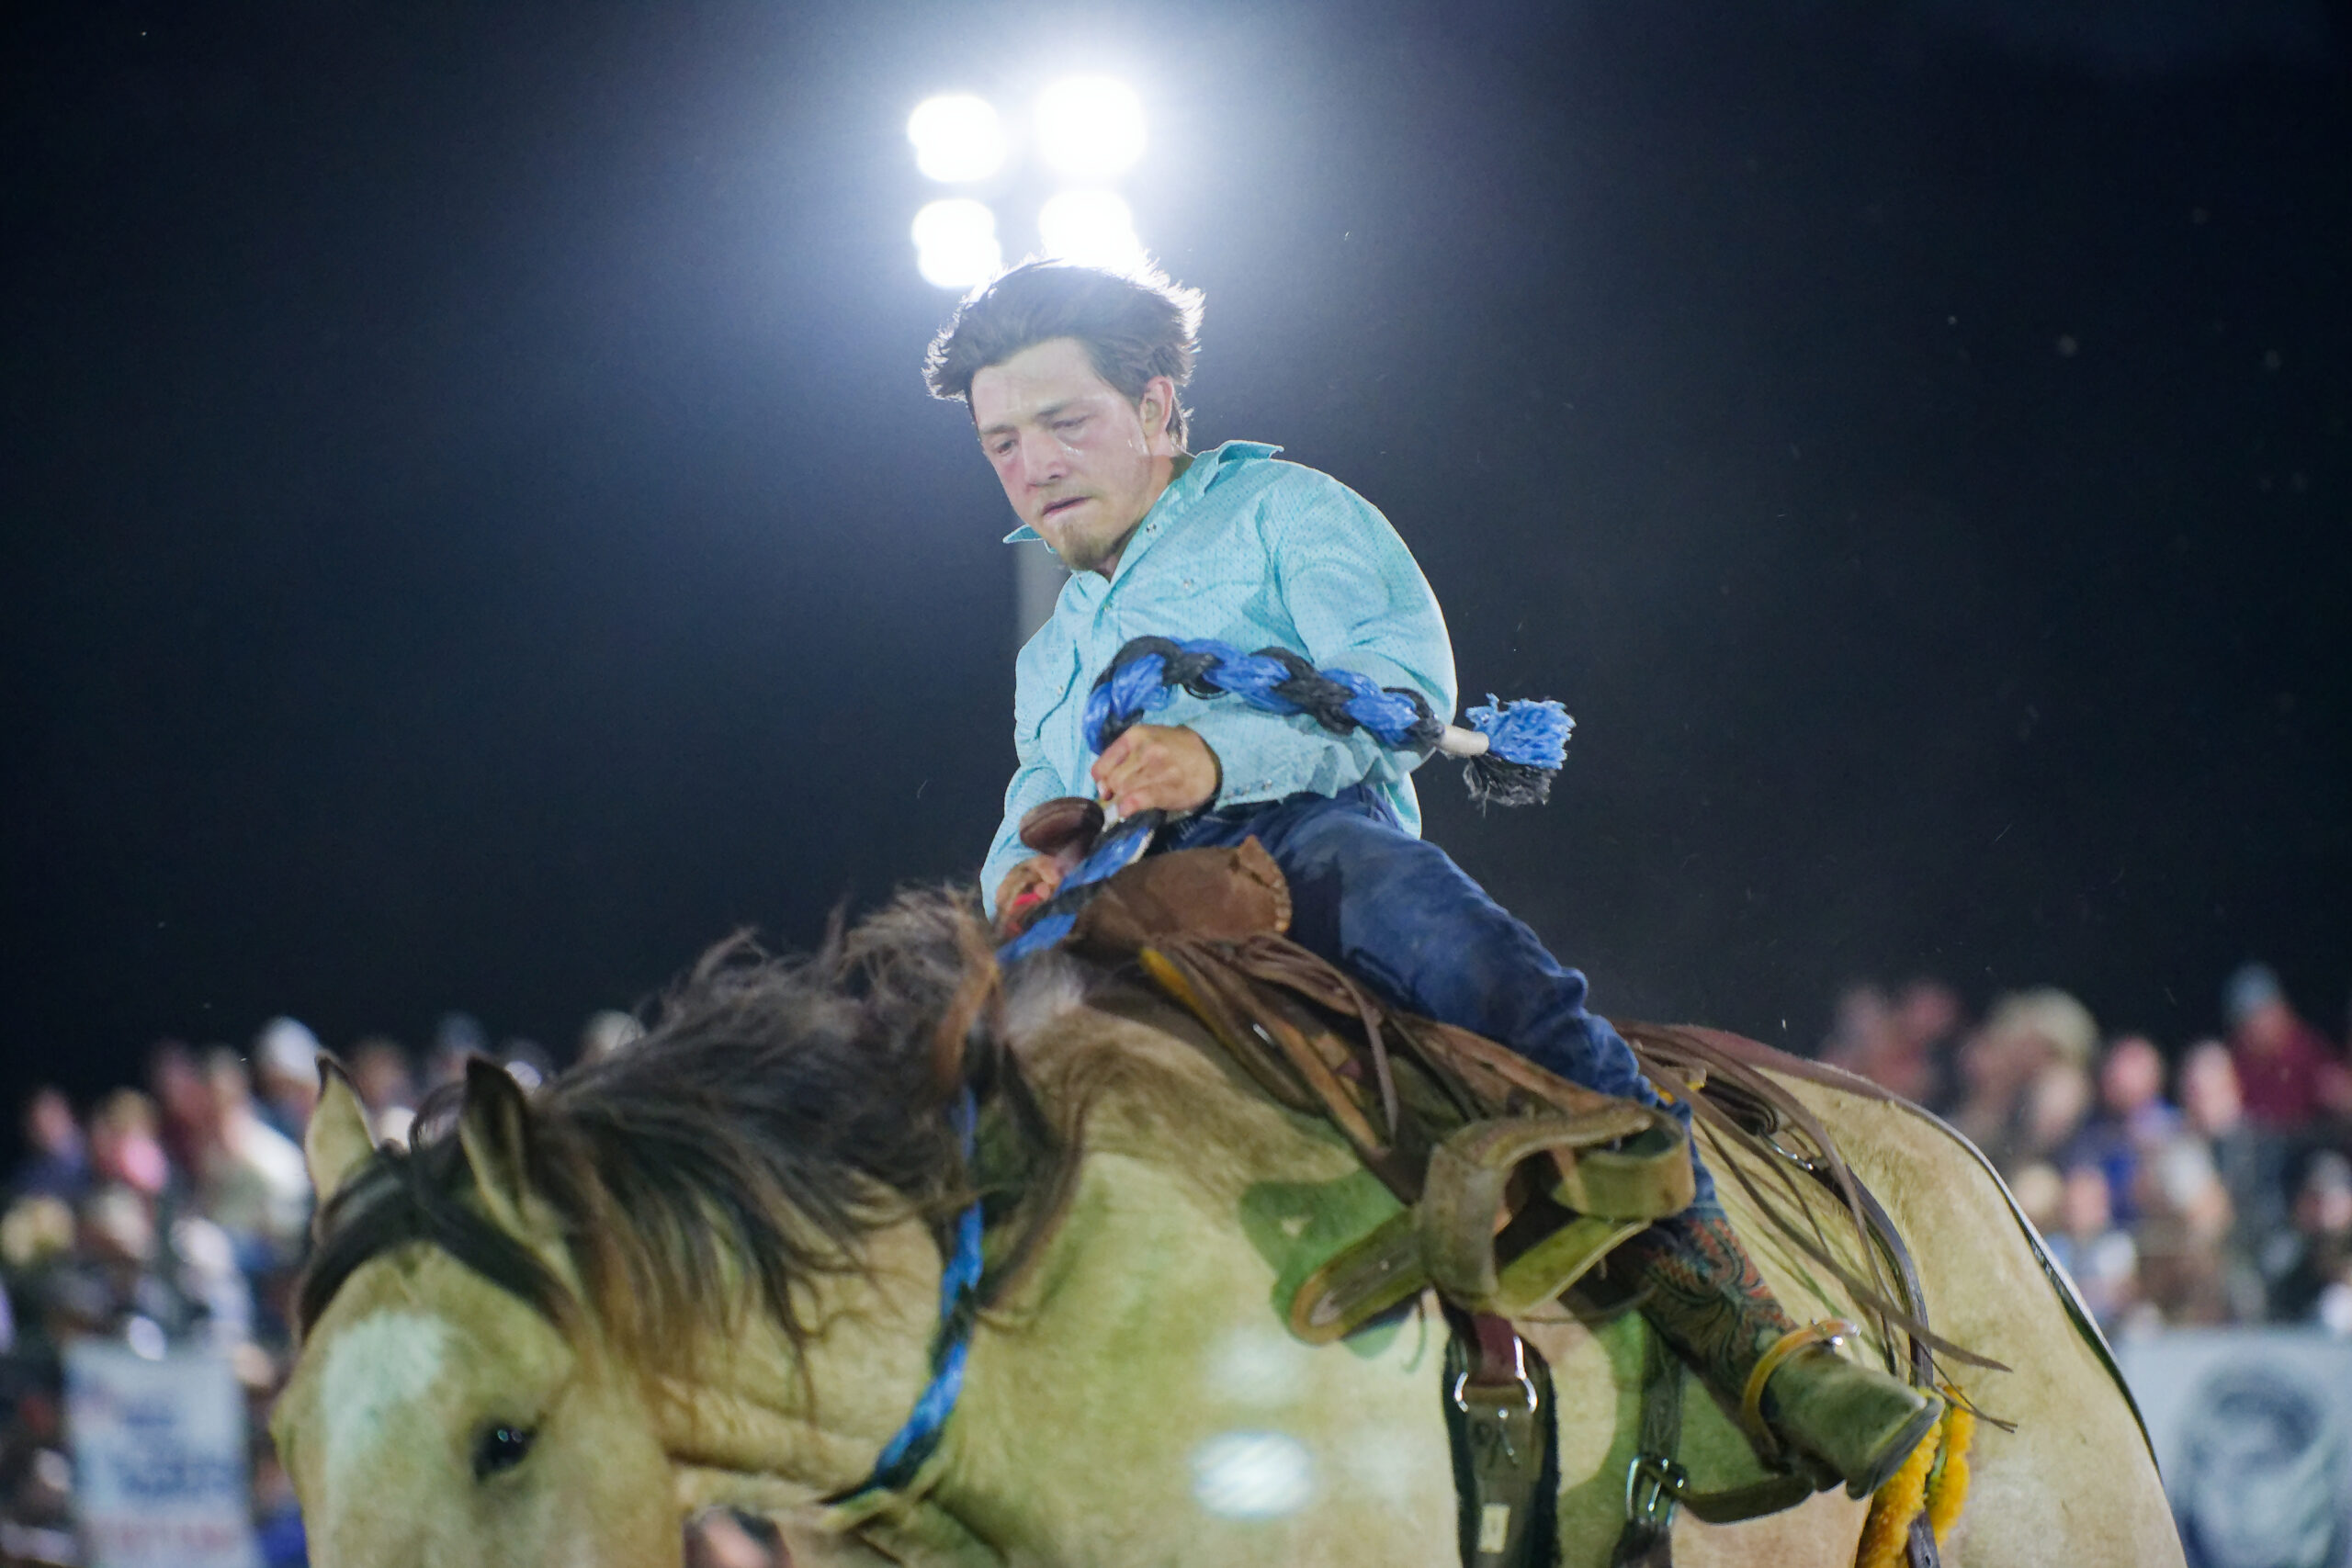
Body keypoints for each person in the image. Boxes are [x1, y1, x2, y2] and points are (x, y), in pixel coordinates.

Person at [924, 260, 1938, 1497]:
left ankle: (1759, 1341)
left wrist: (1215, 754)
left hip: (1307, 842)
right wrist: (1017, 880)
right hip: (1118, 901)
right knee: (949, 1075)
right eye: (1001, 443)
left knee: (1481, 967)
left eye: (1063, 423)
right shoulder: (1050, 653)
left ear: (1157, 406)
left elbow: (1404, 694)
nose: (1033, 465)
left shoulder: (1290, 511)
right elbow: (1027, 802)